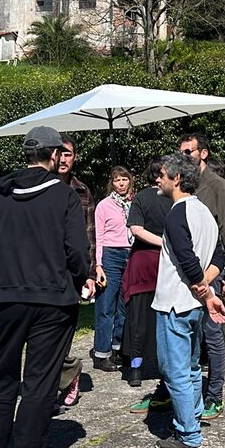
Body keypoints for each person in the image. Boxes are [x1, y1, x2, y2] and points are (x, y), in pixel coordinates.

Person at [0, 125, 93, 448]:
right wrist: (80, 277)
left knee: (0, 375)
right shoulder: (64, 196)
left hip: (5, 297)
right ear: (54, 155)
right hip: (52, 299)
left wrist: (5, 270)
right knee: (40, 380)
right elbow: (77, 251)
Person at [152, 152, 225, 448]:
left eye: (162, 174)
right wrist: (206, 289)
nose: (158, 179)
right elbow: (219, 256)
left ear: (177, 178)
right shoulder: (204, 212)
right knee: (193, 367)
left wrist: (204, 292)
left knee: (176, 371)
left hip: (175, 303)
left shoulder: (176, 213)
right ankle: (192, 418)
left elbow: (187, 259)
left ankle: (188, 434)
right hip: (193, 306)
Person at [178, 132, 225, 424]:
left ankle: (215, 395)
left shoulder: (216, 186)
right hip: (187, 272)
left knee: (212, 334)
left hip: (209, 272)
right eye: (181, 152)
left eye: (188, 152)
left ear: (203, 153)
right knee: (186, 333)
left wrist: (218, 268)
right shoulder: (186, 185)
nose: (184, 157)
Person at [122, 158, 172, 388]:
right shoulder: (175, 198)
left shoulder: (141, 197)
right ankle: (167, 366)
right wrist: (167, 244)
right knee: (168, 316)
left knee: (138, 317)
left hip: (142, 263)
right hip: (167, 263)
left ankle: (136, 369)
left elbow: (136, 229)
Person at [56, 135, 97, 406]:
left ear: (75, 157)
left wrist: (90, 274)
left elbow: (90, 235)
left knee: (63, 333)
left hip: (71, 271)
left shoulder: (82, 191)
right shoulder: (40, 186)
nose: (63, 159)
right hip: (43, 269)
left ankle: (65, 375)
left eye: (68, 154)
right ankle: (62, 376)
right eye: (59, 153)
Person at [92, 165, 134, 371]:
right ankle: (102, 352)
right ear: (112, 183)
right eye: (117, 180)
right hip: (111, 254)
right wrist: (98, 264)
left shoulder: (134, 203)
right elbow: (98, 236)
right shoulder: (104, 205)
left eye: (124, 179)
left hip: (131, 253)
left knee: (124, 305)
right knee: (106, 305)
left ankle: (118, 347)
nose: (121, 183)